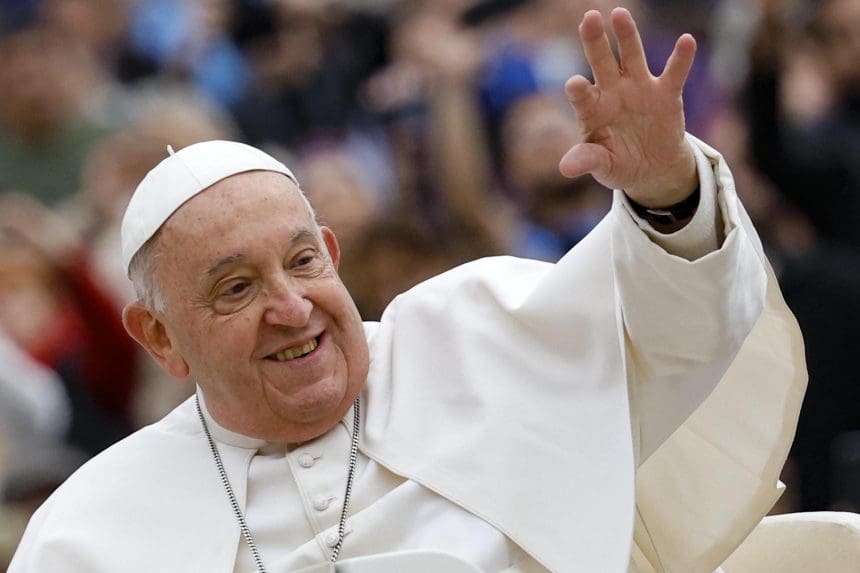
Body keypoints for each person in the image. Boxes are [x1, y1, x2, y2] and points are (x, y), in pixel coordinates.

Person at [8, 8, 805, 573]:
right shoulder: (89, 534)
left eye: (302, 262)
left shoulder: (475, 332)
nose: (291, 307)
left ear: (331, 252)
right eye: (237, 287)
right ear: (159, 336)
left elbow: (682, 327)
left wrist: (666, 190)